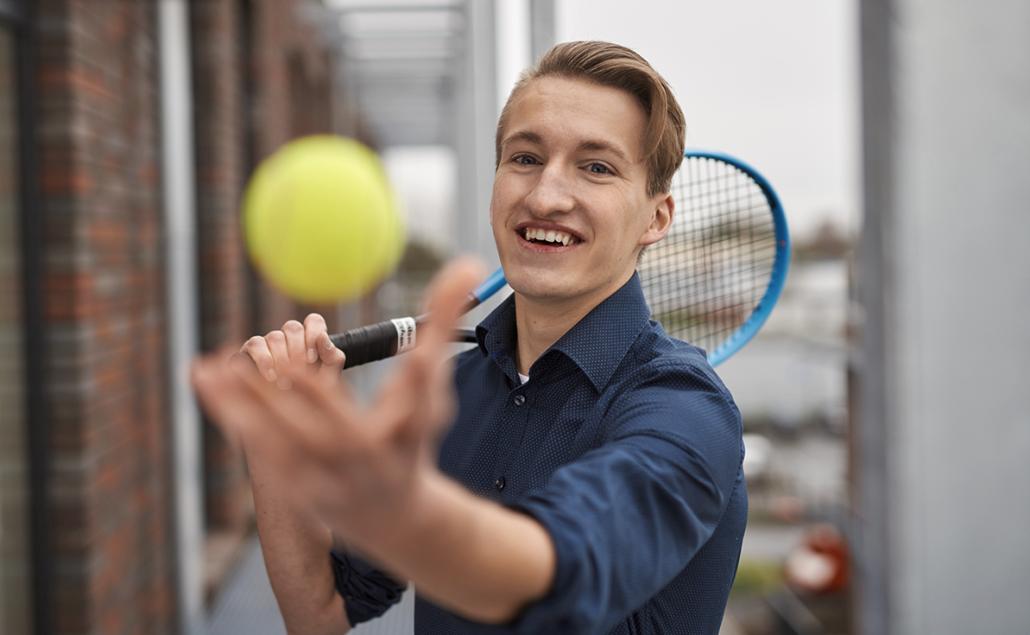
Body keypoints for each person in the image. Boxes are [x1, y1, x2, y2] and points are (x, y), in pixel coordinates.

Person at [191, 41, 746, 634]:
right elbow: (319, 612)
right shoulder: (453, 393)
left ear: (656, 218)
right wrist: (275, 436)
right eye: (525, 158)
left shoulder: (686, 409)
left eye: (597, 167)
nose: (545, 197)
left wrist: (404, 514)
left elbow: (556, 567)